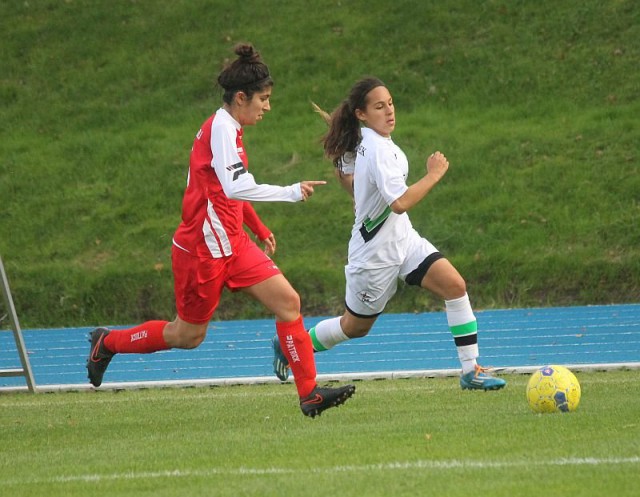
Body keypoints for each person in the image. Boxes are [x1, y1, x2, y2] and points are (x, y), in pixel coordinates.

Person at [86, 43, 355, 417]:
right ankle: (108, 343)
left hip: (233, 243)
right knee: (187, 335)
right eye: (263, 99)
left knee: (289, 303)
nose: (268, 106)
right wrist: (290, 192)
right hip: (202, 250)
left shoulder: (229, 129)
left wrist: (257, 227)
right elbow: (234, 187)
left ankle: (309, 394)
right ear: (241, 97)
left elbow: (223, 191)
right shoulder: (221, 131)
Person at [272, 77, 506, 391]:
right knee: (354, 327)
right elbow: (399, 203)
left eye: (391, 103)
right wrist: (433, 174)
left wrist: (359, 193)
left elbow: (345, 172)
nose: (389, 111)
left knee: (455, 286)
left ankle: (470, 371)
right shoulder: (379, 150)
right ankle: (292, 347)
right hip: (373, 257)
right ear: (362, 114)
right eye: (379, 106)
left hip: (403, 240)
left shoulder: (366, 139)